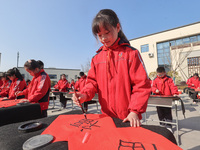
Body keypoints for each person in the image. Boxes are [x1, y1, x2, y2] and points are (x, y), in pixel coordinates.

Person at [72, 9, 151, 127]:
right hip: (106, 117)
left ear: (117, 28)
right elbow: (92, 83)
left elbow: (141, 85)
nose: (103, 38)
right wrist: (84, 94)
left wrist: (134, 111)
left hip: (128, 117)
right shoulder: (97, 58)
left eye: (107, 33)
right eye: (99, 35)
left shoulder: (131, 54)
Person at [152, 67, 179, 131]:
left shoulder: (169, 79)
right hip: (159, 98)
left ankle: (169, 126)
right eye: (158, 75)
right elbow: (152, 87)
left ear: (165, 73)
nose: (160, 76)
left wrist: (175, 93)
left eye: (161, 75)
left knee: (167, 112)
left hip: (167, 98)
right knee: (160, 111)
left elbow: (173, 87)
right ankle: (162, 124)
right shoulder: (155, 79)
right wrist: (155, 90)